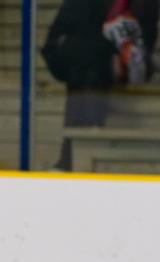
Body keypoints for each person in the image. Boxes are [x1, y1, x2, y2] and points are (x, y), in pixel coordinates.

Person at [43, 0, 159, 171]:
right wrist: (107, 58)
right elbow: (55, 44)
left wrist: (123, 57)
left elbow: (144, 47)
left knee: (86, 72)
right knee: (88, 65)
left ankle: (69, 160)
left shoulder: (144, 4)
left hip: (107, 66)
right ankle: (75, 155)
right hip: (77, 58)